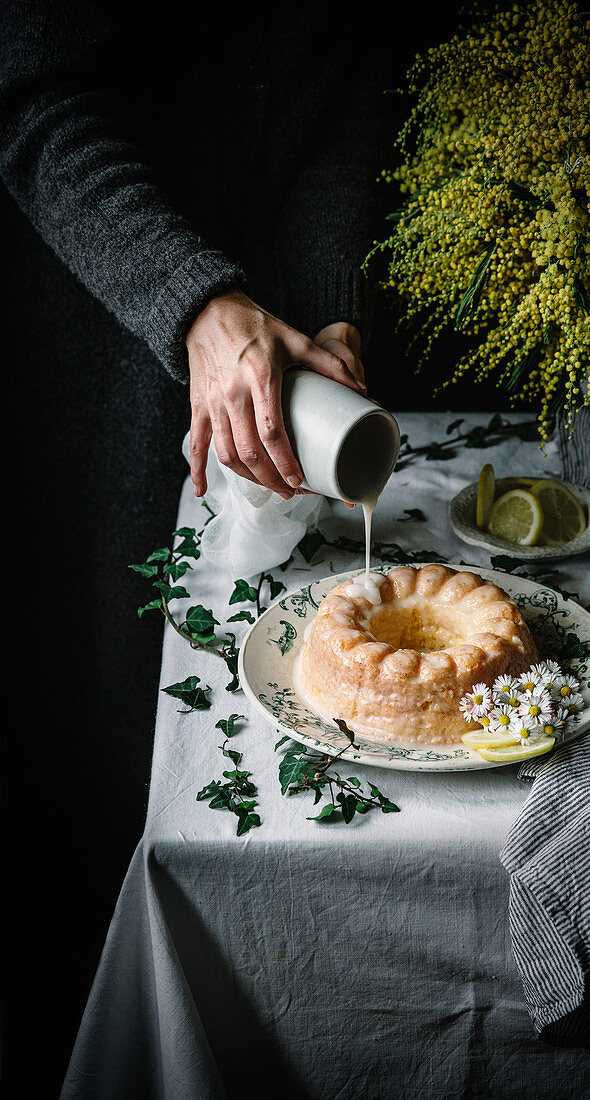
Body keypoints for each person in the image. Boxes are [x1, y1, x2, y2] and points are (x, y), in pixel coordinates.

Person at [1, 1, 451, 1091]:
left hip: (291, 364)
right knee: (95, 782)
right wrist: (196, 300)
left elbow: (349, 96)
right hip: (92, 356)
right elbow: (31, 100)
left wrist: (335, 311)